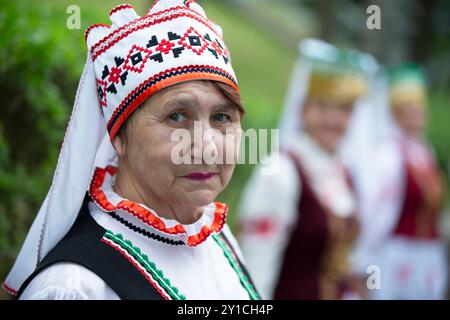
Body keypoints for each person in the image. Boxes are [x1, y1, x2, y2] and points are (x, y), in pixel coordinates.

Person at [2, 0, 260, 300]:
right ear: (119, 137)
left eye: (221, 117)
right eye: (176, 116)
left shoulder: (218, 238)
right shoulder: (76, 288)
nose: (207, 147)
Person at [237, 39, 377, 299]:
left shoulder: (343, 173)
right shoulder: (280, 171)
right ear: (303, 109)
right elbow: (257, 267)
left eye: (344, 110)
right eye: (323, 107)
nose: (334, 120)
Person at [358, 64, 447, 299]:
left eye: (419, 108)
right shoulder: (388, 156)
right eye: (409, 109)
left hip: (426, 254)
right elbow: (375, 209)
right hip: (395, 254)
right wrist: (365, 260)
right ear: (395, 114)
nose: (416, 114)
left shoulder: (424, 153)